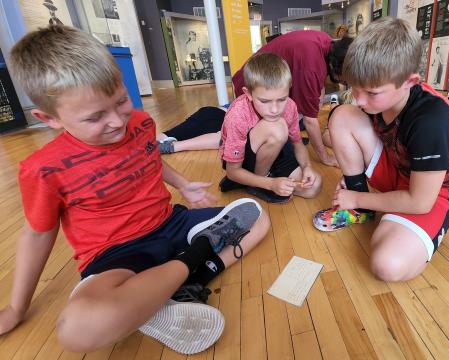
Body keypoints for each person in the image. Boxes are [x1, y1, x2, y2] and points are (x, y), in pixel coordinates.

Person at [0, 25, 270, 355]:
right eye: (96, 116)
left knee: (258, 217)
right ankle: (194, 262)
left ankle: (175, 286)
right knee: (78, 332)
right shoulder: (44, 168)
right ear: (49, 118)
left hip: (172, 225)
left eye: (121, 101)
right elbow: (37, 235)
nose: (117, 121)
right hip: (116, 255)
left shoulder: (141, 123)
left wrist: (184, 185)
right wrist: (16, 307)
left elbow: (148, 158)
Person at [313, 17, 449, 282]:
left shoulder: (431, 121)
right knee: (341, 115)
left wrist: (355, 197)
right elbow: (339, 133)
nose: (360, 100)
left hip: (437, 193)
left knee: (387, 265)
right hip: (400, 168)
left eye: (372, 92)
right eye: (354, 87)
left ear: (410, 81)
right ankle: (362, 211)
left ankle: (361, 205)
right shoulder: (380, 97)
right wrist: (354, 175)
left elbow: (420, 202)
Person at [232, 30, 353, 167]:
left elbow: (319, 87)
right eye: (348, 79)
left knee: (286, 131)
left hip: (260, 86)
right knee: (270, 134)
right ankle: (260, 175)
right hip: (253, 87)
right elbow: (310, 121)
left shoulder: (326, 41)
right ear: (340, 68)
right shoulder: (311, 67)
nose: (348, 82)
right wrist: (325, 157)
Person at [219, 53, 322, 203]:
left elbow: (297, 143)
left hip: (275, 152)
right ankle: (258, 183)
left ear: (289, 89)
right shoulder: (237, 114)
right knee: (277, 128)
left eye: (281, 99)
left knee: (314, 186)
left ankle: (259, 178)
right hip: (241, 162)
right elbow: (232, 171)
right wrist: (270, 184)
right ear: (248, 94)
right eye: (264, 101)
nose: (275, 109)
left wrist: (307, 166)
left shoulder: (290, 106)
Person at [157, 106, 227, 154]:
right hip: (222, 116)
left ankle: (155, 146)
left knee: (170, 134)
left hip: (211, 110)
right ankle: (171, 146)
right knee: (226, 138)